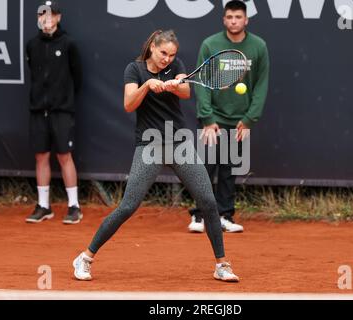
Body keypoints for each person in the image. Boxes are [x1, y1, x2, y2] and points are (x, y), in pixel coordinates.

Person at [72, 30, 240, 282]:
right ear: (152, 47)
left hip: (180, 143)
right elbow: (129, 104)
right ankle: (84, 257)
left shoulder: (176, 66)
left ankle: (221, 264)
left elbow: (185, 91)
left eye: (172, 55)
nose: (167, 59)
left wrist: (175, 85)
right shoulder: (134, 69)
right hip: (150, 145)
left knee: (208, 200)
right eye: (163, 53)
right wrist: (147, 86)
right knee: (128, 206)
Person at [188, 0, 270, 233]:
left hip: (240, 121)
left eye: (238, 17)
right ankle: (199, 216)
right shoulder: (210, 44)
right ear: (224, 20)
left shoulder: (259, 46)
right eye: (230, 17)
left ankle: (225, 215)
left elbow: (261, 85)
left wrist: (249, 119)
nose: (234, 21)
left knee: (229, 170)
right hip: (212, 120)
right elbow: (202, 84)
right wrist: (207, 118)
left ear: (246, 20)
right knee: (205, 168)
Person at [25, 1, 83, 224]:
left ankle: (73, 206)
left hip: (62, 111)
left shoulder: (69, 44)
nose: (47, 19)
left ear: (58, 18)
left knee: (64, 156)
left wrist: (63, 99)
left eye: (51, 15)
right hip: (38, 111)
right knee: (41, 157)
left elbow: (77, 78)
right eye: (43, 15)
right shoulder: (32, 45)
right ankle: (43, 206)